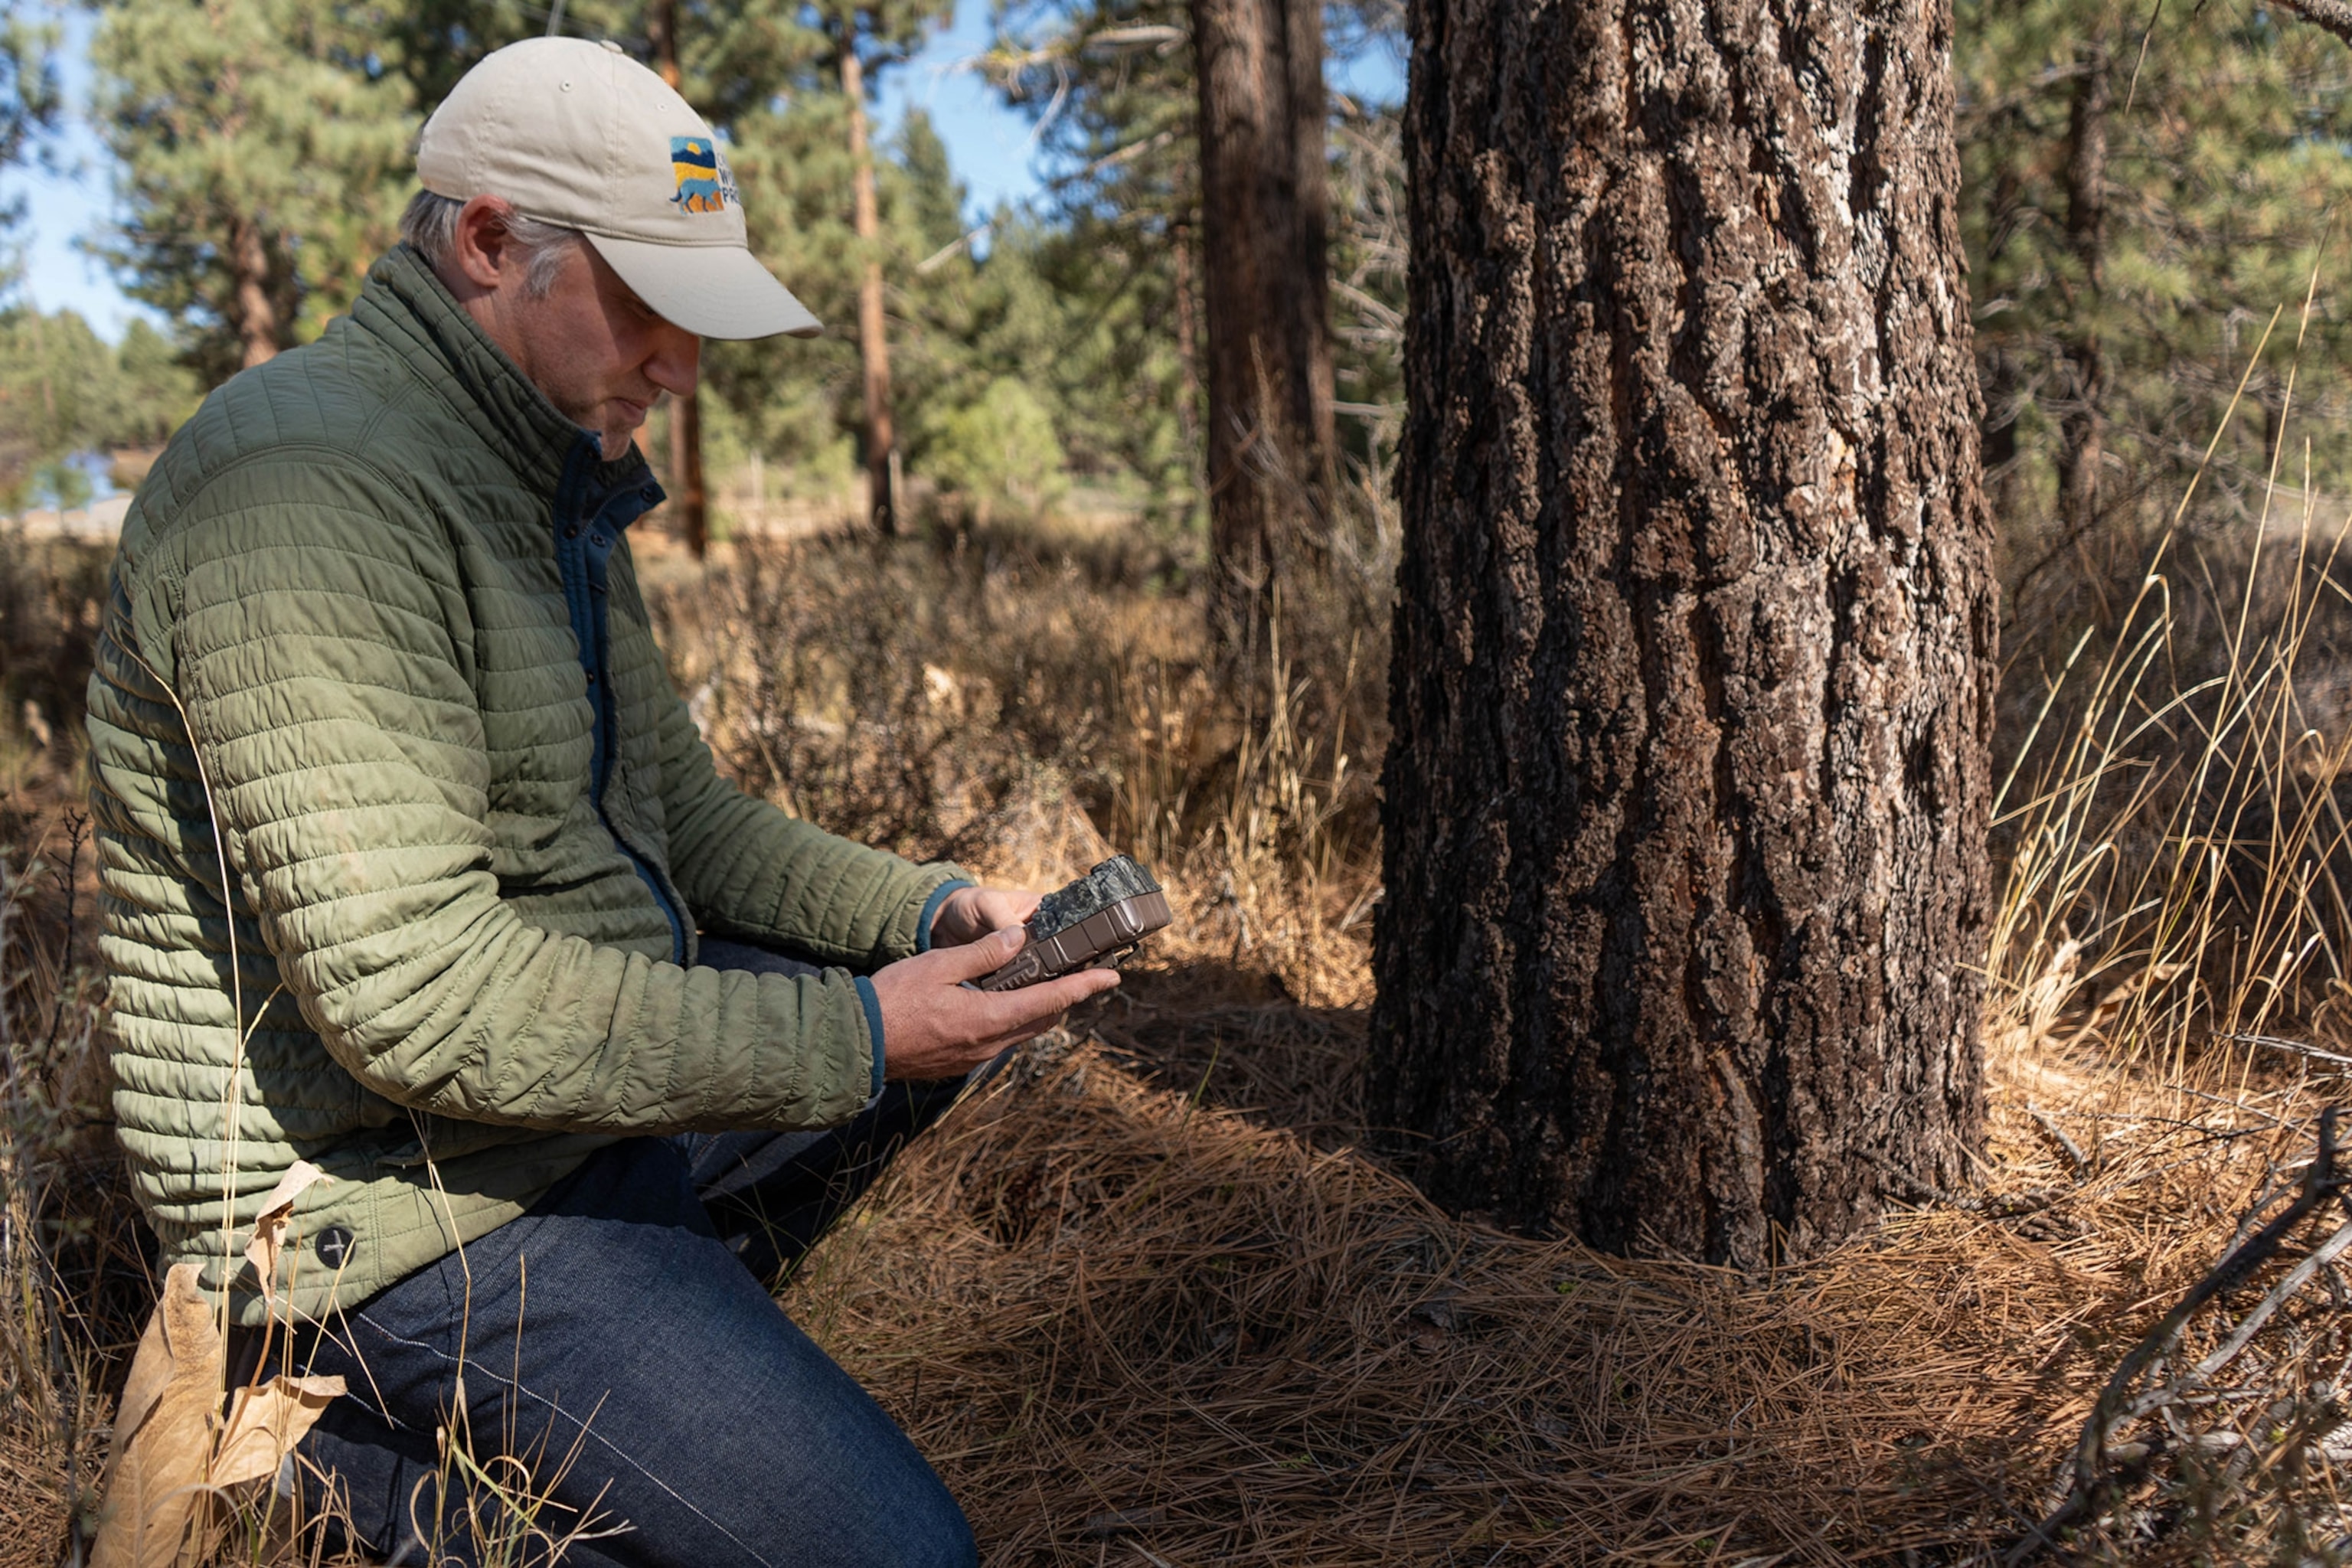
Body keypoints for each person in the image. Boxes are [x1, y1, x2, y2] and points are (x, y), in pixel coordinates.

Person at [83, 36, 1113, 1567]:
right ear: (492, 241)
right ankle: (329, 1461)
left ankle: (643, 1366)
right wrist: (849, 1032)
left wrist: (926, 911)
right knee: (902, 1557)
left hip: (549, 1101)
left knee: (937, 1023)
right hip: (399, 1197)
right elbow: (412, 1000)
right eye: (649, 305)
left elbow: (684, 820)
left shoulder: (539, 463)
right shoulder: (306, 491)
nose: (682, 370)